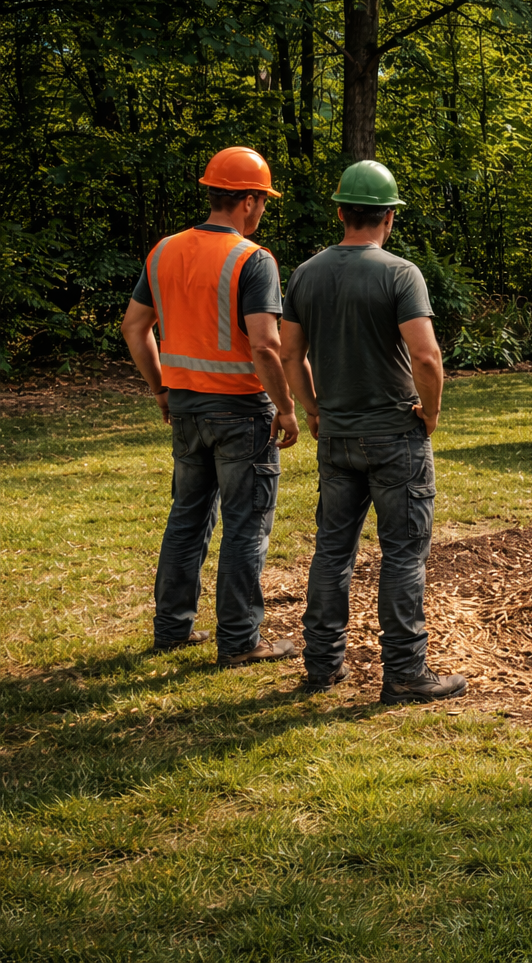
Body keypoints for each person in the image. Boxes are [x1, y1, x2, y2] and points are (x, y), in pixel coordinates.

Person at [280, 160, 466, 703]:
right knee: (403, 554)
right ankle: (406, 674)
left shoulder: (305, 274)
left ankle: (320, 664)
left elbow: (290, 353)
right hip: (395, 435)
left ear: (341, 211)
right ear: (389, 216)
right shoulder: (400, 273)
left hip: (336, 436)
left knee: (332, 551)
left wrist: (312, 408)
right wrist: (429, 413)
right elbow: (426, 358)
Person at [120, 146, 301, 665]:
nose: (262, 209)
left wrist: (160, 388)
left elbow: (135, 328)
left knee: (187, 519)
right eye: (262, 199)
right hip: (242, 413)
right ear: (246, 200)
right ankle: (241, 642)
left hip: (186, 408)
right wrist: (285, 407)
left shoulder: (163, 252)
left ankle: (172, 628)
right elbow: (265, 345)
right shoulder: (253, 259)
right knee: (246, 526)